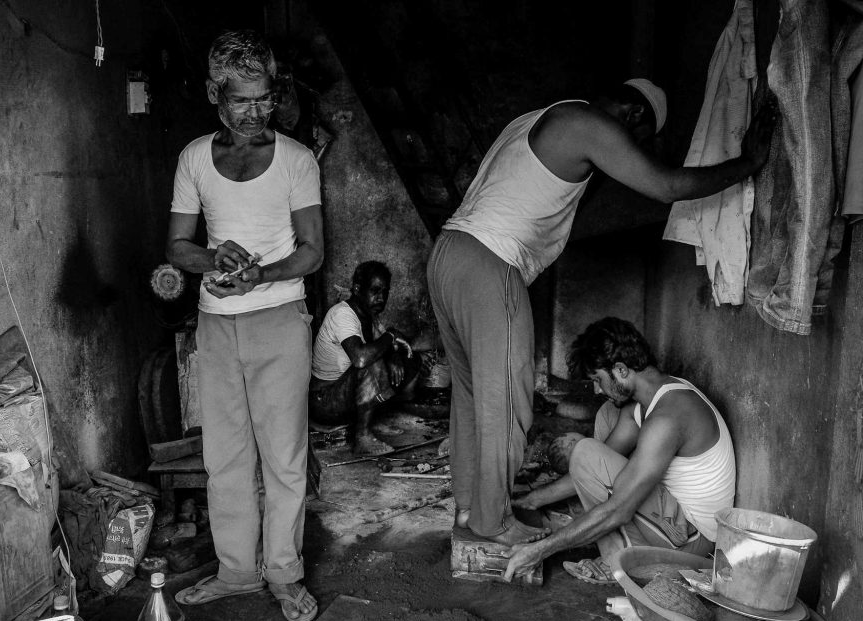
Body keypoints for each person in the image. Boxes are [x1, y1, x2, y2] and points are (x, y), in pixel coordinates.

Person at [426, 79, 773, 547]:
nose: (632, 151)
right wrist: (748, 163)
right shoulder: (589, 122)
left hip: (450, 255)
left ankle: (472, 508)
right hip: (490, 262)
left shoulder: (538, 119)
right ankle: (493, 521)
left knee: (471, 397)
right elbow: (666, 186)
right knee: (506, 401)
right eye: (640, 140)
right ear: (633, 114)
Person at [166, 30, 323, 621]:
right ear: (215, 95)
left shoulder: (296, 161)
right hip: (216, 326)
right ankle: (235, 571)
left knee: (283, 456)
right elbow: (179, 247)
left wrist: (261, 277)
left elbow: (311, 252)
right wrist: (216, 259)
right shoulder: (193, 160)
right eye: (243, 101)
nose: (259, 112)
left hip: (281, 320)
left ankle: (284, 573)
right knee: (225, 456)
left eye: (266, 98)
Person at [502, 317, 736, 583]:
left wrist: (538, 551)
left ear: (622, 370)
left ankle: (621, 563)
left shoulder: (668, 417)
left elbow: (617, 506)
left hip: (692, 542)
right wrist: (533, 499)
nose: (597, 389)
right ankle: (614, 545)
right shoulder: (648, 401)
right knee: (606, 418)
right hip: (672, 522)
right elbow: (591, 470)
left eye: (598, 380)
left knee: (586, 453)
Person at [309, 261, 418, 454]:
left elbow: (386, 345)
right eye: (375, 291)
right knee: (369, 362)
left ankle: (373, 422)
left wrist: (393, 355)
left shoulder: (368, 315)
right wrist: (391, 335)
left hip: (345, 396)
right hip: (325, 401)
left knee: (406, 357)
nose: (381, 298)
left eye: (385, 292)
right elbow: (360, 358)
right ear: (358, 289)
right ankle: (363, 437)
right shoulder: (342, 314)